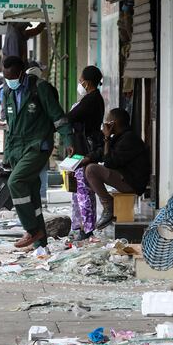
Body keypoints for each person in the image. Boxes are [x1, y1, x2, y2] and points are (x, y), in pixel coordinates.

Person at [2, 56, 74, 250]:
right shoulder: (8, 92)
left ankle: (32, 230)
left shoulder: (40, 88)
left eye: (11, 76)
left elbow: (58, 117)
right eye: (5, 75)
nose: (8, 79)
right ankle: (40, 244)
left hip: (38, 145)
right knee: (31, 191)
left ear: (20, 72)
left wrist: (68, 139)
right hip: (17, 148)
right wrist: (6, 158)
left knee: (15, 182)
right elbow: (9, 128)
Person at [81, 108, 151, 229]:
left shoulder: (129, 139)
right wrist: (85, 159)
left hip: (132, 183)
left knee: (91, 170)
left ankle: (108, 206)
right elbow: (101, 151)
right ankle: (107, 205)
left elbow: (109, 162)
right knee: (86, 167)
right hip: (125, 177)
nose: (105, 124)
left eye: (107, 121)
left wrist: (107, 138)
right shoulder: (120, 137)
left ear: (114, 123)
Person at [67, 66, 106, 241]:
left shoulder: (91, 100)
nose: (79, 82)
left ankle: (87, 229)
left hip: (85, 149)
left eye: (81, 79)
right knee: (78, 188)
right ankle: (80, 225)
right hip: (81, 147)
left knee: (83, 189)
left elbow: (70, 117)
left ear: (87, 82)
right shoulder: (92, 98)